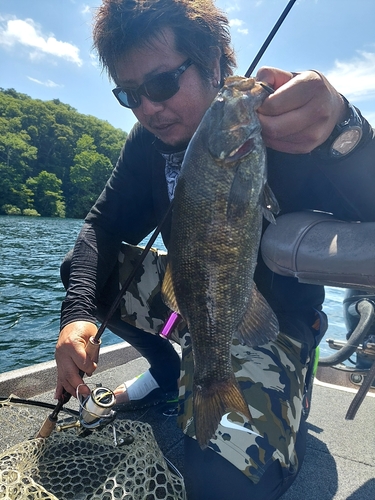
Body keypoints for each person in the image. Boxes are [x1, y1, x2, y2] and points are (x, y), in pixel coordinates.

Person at [54, 0, 375, 498]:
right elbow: (100, 227)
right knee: (85, 271)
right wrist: (76, 318)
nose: (147, 108)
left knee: (220, 484)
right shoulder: (147, 141)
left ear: (215, 64)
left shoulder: (285, 131)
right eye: (129, 94)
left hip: (274, 326)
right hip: (194, 301)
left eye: (160, 85)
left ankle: (288, 396)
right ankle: (167, 372)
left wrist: (344, 130)